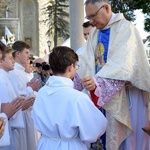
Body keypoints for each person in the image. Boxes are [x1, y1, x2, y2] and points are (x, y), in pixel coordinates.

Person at [76, 0, 150, 150]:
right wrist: (69, 72)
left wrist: (98, 82)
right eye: (88, 18)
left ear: (106, 8)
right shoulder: (95, 32)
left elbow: (124, 63)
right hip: (101, 98)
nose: (91, 21)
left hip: (126, 97)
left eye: (93, 16)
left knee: (127, 144)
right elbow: (84, 58)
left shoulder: (126, 29)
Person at [31, 46, 107, 150]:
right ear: (70, 68)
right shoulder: (78, 98)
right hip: (69, 146)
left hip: (45, 144)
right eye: (76, 66)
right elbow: (94, 130)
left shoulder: (41, 93)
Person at [9, 40, 40, 150]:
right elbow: (18, 97)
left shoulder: (22, 72)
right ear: (18, 53)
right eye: (26, 53)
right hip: (21, 115)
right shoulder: (13, 72)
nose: (28, 56)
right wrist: (30, 89)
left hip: (27, 114)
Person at [0, 47, 25, 149]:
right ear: (1, 62)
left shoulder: (6, 77)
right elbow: (6, 107)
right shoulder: (2, 80)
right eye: (10, 58)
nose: (13, 61)